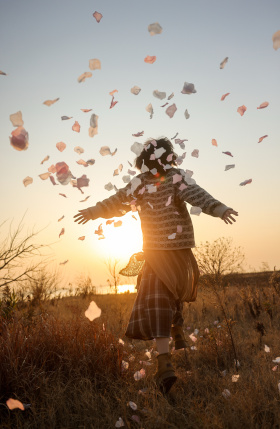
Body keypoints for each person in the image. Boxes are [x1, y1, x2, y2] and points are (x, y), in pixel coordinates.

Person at [74, 137, 238, 393]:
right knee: (158, 301)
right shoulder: (139, 183)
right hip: (154, 253)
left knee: (166, 299)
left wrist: (219, 208)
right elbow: (118, 199)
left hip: (176, 252)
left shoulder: (175, 177)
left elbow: (196, 195)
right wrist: (94, 211)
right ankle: (165, 365)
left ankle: (174, 337)